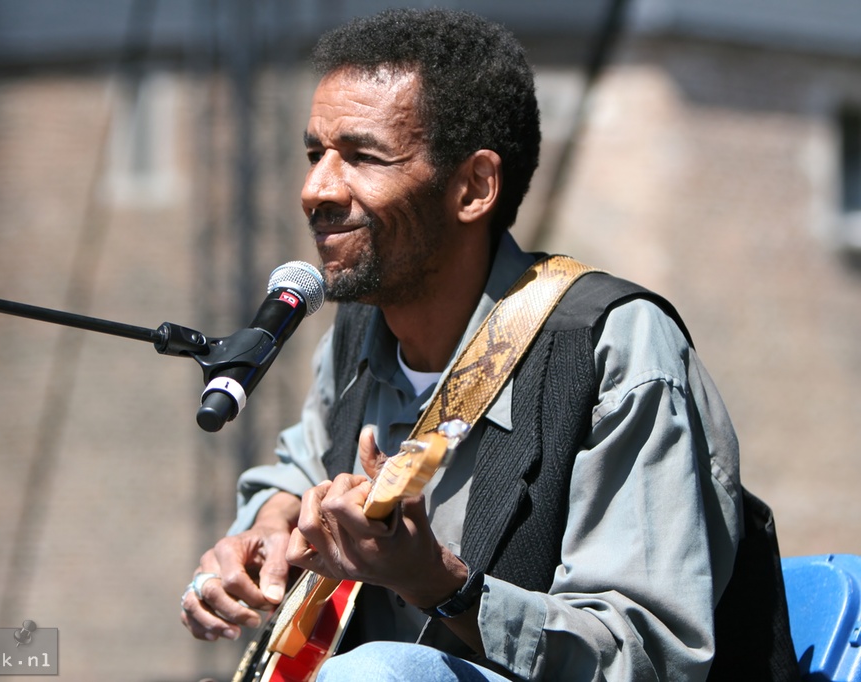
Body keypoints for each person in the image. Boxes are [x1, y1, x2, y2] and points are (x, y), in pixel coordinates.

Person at [181, 8, 795, 681]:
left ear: (473, 187)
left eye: (360, 157)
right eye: (314, 154)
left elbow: (648, 658)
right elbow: (295, 473)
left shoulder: (612, 351)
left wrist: (441, 584)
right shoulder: (357, 337)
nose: (315, 189)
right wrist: (266, 530)